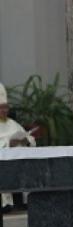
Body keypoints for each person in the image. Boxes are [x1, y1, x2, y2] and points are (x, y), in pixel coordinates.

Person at [0, 82, 37, 212]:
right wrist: (8, 143)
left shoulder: (13, 123)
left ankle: (25, 201)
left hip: (17, 160)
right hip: (3, 162)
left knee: (28, 168)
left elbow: (28, 138)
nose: (4, 110)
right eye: (1, 108)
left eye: (6, 107)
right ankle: (6, 204)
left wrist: (26, 140)